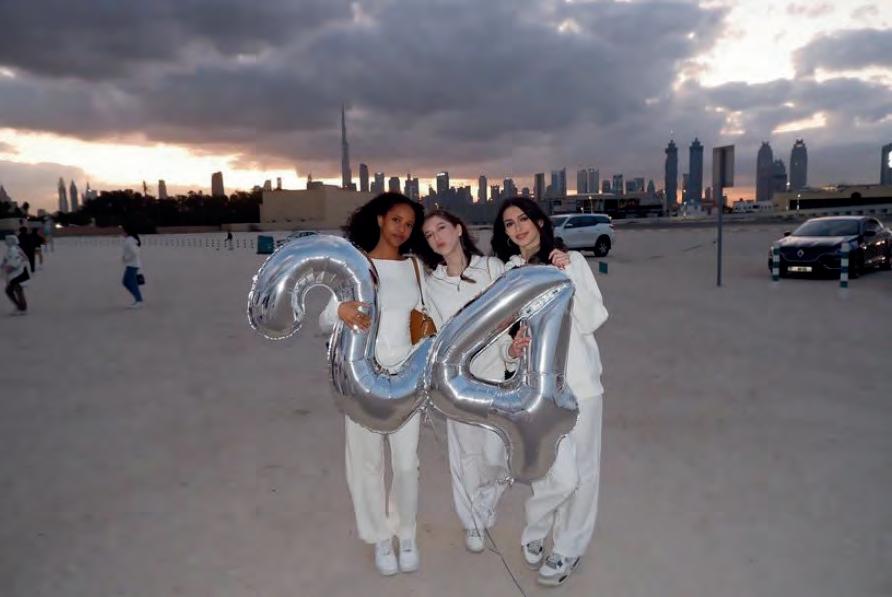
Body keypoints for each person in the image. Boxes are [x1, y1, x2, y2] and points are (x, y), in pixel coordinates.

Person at [417, 209, 569, 554]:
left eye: (442, 228)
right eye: (428, 234)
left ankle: (486, 501)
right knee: (464, 455)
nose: (437, 237)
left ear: (458, 229)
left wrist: (512, 352)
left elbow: (510, 323)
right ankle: (472, 520)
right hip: (455, 383)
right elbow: (433, 337)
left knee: (496, 454)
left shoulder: (491, 269)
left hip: (494, 378)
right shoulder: (431, 284)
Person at [492, 197, 608, 587]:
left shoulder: (571, 261)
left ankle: (569, 547)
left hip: (580, 383)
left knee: (583, 473)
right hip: (535, 386)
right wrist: (511, 351)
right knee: (549, 467)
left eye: (523, 218)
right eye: (509, 223)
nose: (518, 228)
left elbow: (592, 318)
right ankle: (538, 525)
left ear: (540, 222)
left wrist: (567, 274)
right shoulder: (510, 273)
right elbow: (503, 332)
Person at [318, 192, 427, 576]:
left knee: (407, 463)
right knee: (366, 462)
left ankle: (405, 532)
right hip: (362, 378)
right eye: (396, 220)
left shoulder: (415, 267)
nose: (402, 229)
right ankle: (379, 536)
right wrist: (340, 310)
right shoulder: (355, 264)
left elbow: (424, 317)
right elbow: (324, 321)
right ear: (380, 218)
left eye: (409, 224)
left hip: (407, 377)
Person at [2, 235, 29, 314]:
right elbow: (6, 259)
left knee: (11, 290)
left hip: (17, 274)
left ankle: (21, 308)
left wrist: (8, 269)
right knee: (17, 290)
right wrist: (3, 265)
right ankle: (21, 307)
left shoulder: (14, 249)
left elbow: (15, 262)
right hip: (17, 273)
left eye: (8, 240)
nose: (6, 241)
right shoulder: (13, 248)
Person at [121, 224, 144, 308]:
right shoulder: (131, 240)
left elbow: (135, 252)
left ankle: (139, 300)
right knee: (126, 282)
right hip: (132, 264)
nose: (122, 233)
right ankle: (138, 299)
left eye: (123, 231)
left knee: (130, 282)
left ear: (127, 232)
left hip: (132, 265)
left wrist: (126, 258)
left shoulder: (129, 240)